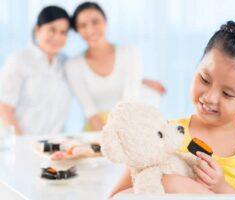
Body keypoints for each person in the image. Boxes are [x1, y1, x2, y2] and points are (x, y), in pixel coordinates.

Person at [108, 21, 235, 197]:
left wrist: (222, 188)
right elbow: (117, 197)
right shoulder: (162, 134)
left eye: (227, 94)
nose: (209, 97)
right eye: (204, 79)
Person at [65, 1, 166, 132]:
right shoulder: (73, 65)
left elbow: (130, 98)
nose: (90, 30)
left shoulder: (129, 52)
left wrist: (141, 81)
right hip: (95, 131)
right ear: (78, 30)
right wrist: (106, 140)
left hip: (129, 125)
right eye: (83, 25)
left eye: (95, 22)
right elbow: (89, 110)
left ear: (105, 22)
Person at [0, 6, 71, 135]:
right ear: (38, 30)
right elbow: (4, 108)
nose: (57, 37)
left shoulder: (66, 63)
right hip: (22, 143)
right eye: (52, 30)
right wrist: (23, 144)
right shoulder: (19, 60)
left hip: (55, 147)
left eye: (63, 32)